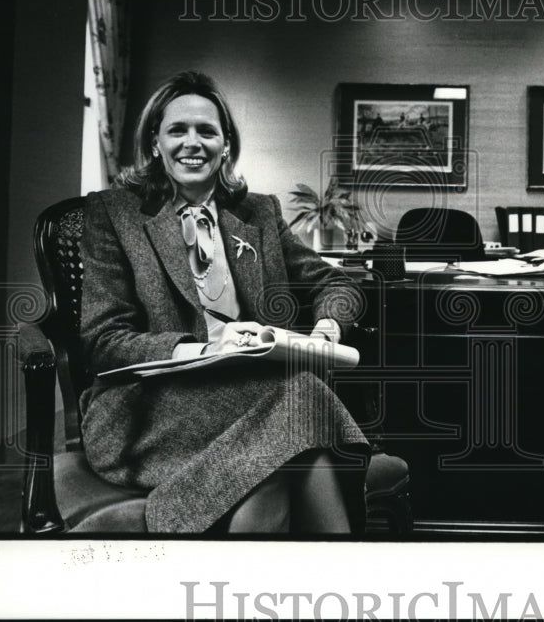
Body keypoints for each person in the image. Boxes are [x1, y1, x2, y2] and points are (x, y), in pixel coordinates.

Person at [78, 70, 369, 535]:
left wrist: (326, 332)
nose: (192, 143)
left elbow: (336, 284)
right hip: (150, 410)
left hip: (254, 398)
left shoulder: (259, 212)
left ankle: (208, 556)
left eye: (207, 131)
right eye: (177, 130)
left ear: (226, 144)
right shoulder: (113, 214)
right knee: (302, 406)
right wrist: (206, 349)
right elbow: (104, 340)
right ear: (155, 142)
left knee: (284, 439)